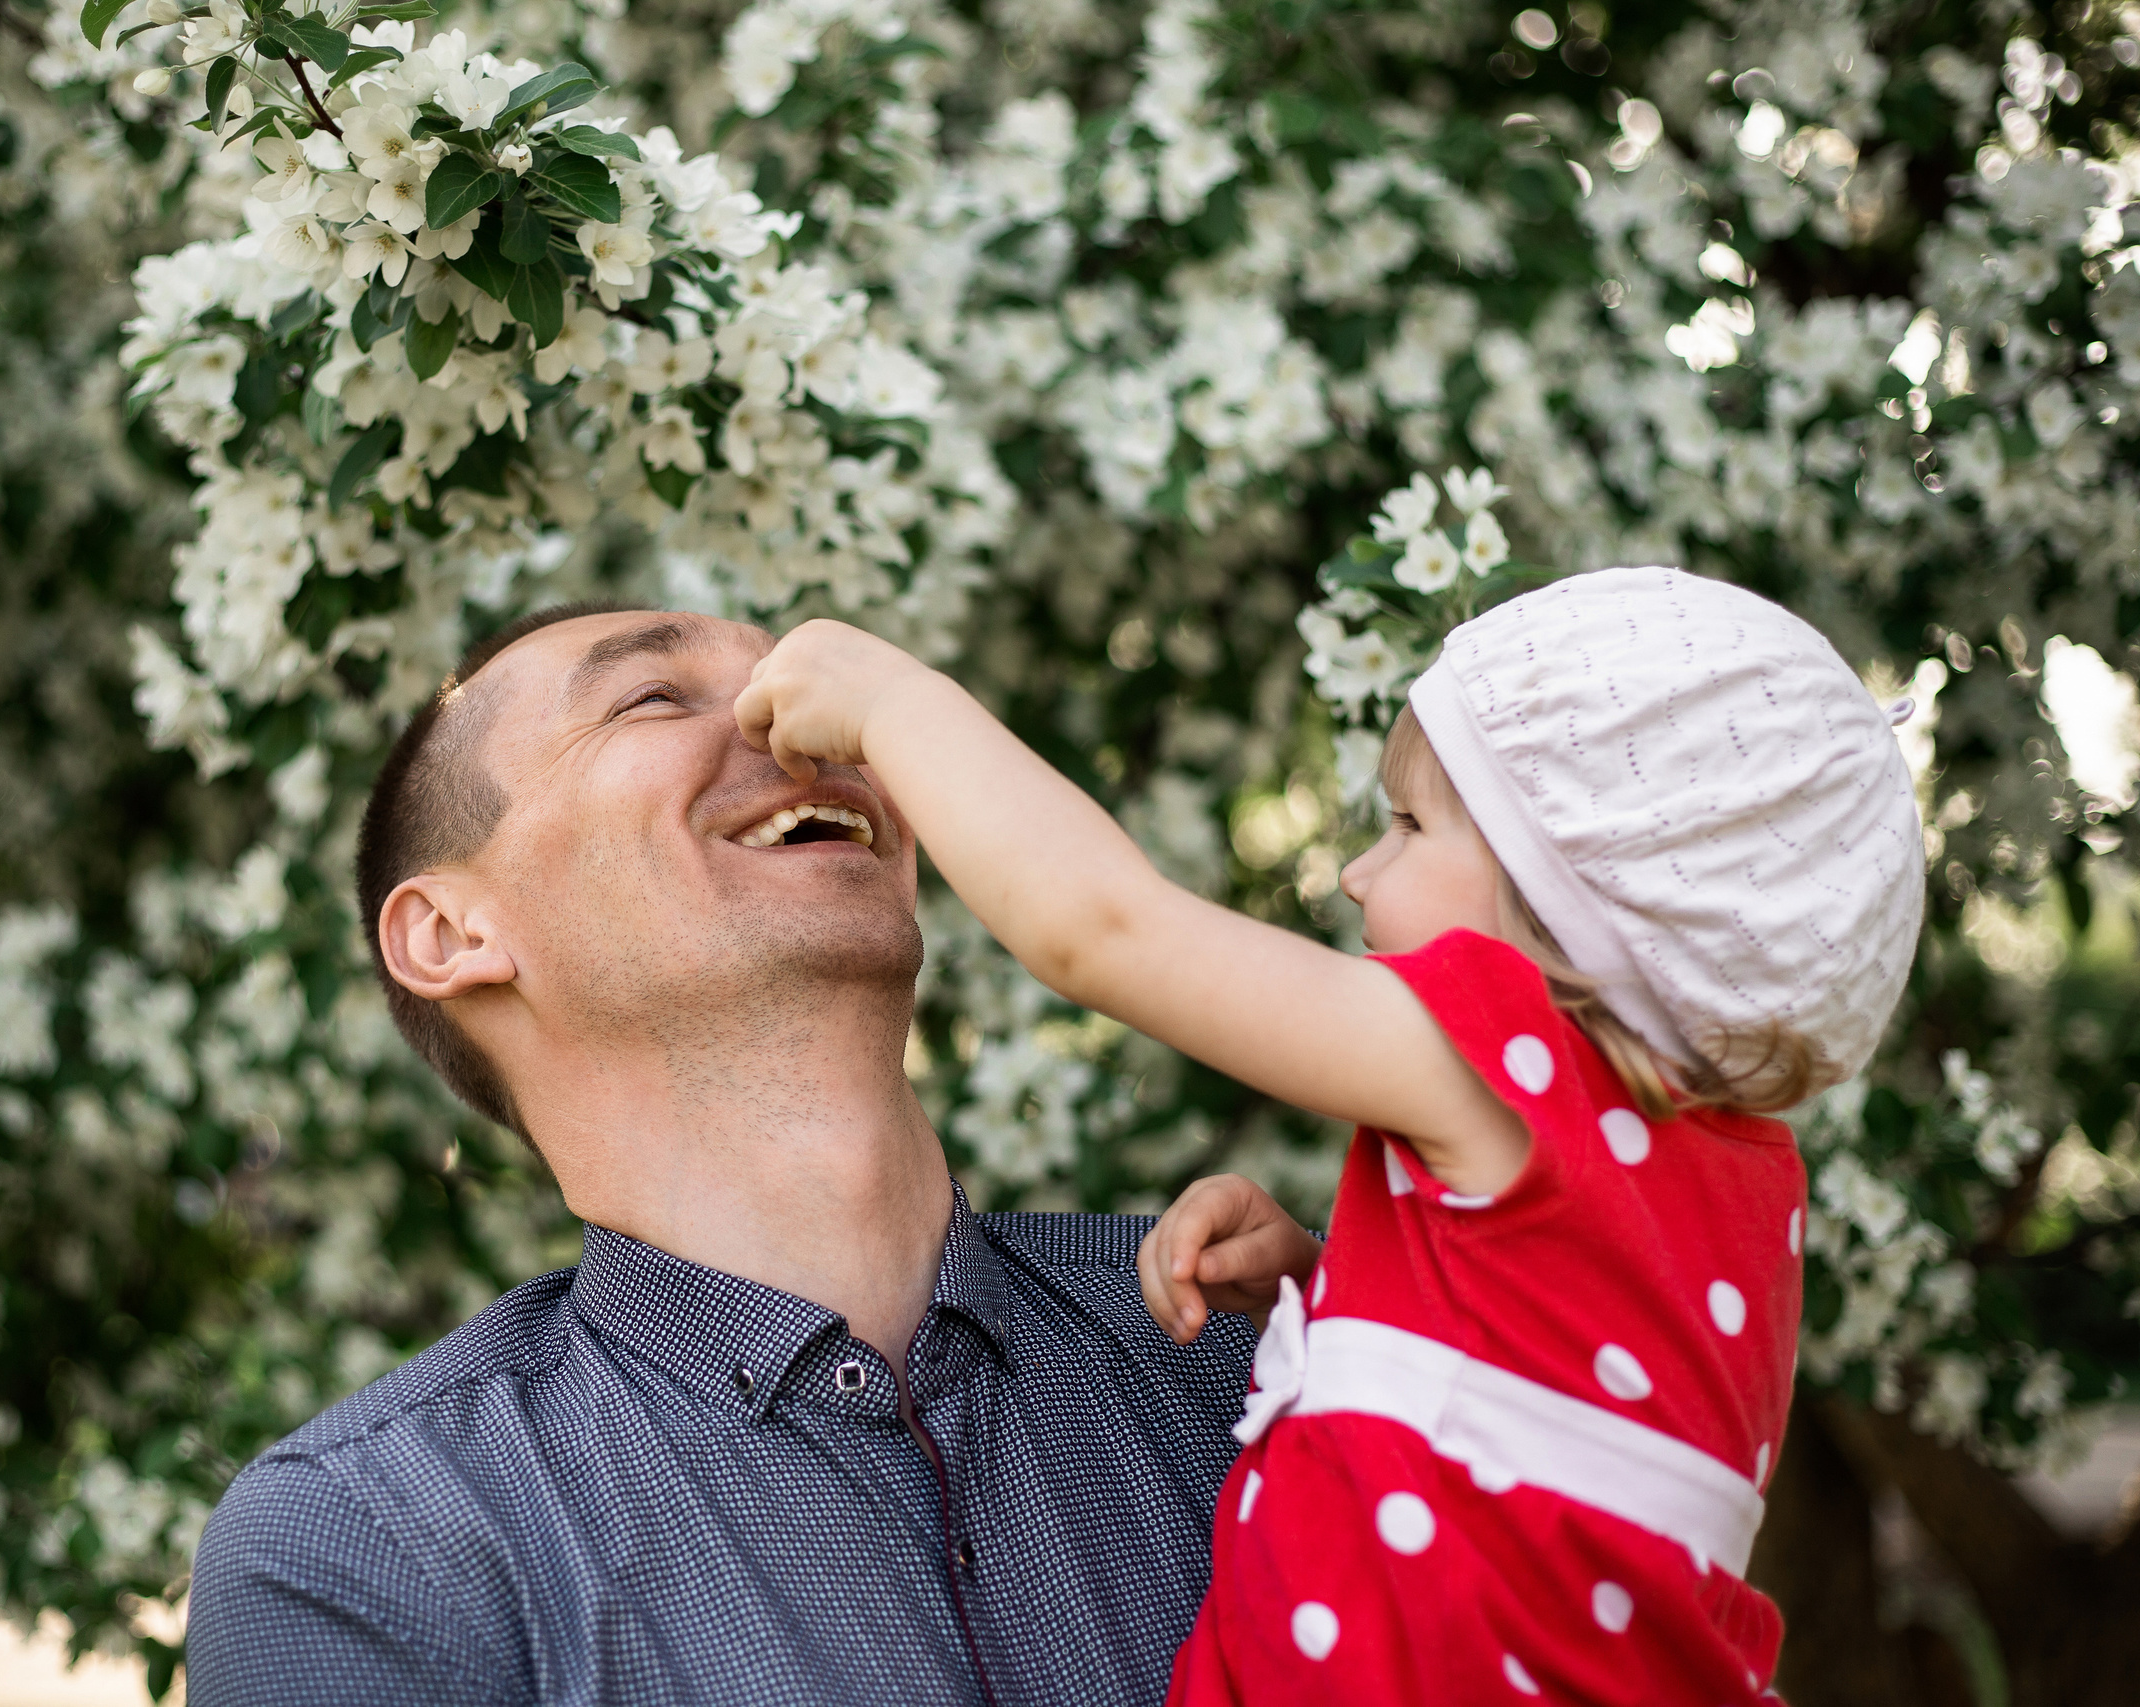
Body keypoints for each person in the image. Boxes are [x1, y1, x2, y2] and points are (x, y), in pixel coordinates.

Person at [736, 566, 1926, 1705]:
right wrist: (1330, 1278)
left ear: (1574, 907)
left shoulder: (1505, 1059)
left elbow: (1103, 932)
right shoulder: (1735, 1174)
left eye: (1409, 825)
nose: (1360, 872)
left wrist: (898, 706)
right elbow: (1540, 1408)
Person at [183, 603, 1317, 1707]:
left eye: (799, 681)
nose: (800, 722)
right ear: (453, 934)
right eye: (654, 698)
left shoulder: (1261, 1344)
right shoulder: (364, 1546)